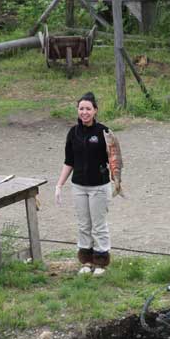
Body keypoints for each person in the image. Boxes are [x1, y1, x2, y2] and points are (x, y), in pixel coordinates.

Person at [55, 92, 112, 275]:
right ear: (77, 111)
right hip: (79, 186)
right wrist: (59, 184)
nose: (84, 112)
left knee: (99, 224)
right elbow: (69, 161)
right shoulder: (73, 133)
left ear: (95, 111)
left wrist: (116, 177)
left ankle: (101, 261)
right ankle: (86, 261)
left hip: (99, 187)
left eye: (88, 109)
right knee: (83, 224)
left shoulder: (104, 132)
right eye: (81, 109)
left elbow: (114, 158)